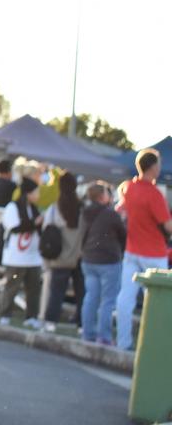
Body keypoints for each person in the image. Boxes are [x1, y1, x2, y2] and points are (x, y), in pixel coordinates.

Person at [114, 148, 172, 350]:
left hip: (132, 251)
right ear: (153, 167)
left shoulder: (128, 188)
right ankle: (155, 345)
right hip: (154, 255)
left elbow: (119, 210)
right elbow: (168, 226)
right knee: (159, 302)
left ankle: (123, 342)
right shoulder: (154, 194)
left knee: (125, 299)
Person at [0, 159, 44, 327]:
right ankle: (5, 314)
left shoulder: (34, 208)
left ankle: (31, 316)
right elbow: (15, 228)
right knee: (11, 286)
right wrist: (35, 223)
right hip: (15, 255)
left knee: (33, 288)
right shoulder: (13, 207)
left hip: (33, 255)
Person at [80, 181, 126, 345]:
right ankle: (104, 336)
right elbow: (123, 235)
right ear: (102, 196)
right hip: (108, 260)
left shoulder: (85, 212)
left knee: (90, 297)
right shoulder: (111, 214)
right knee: (107, 301)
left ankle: (87, 333)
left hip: (88, 259)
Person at [39, 172, 84, 332]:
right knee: (82, 292)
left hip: (59, 256)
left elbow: (47, 229)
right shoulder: (81, 208)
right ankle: (81, 324)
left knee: (56, 291)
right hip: (79, 255)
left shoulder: (54, 208)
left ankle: (51, 321)